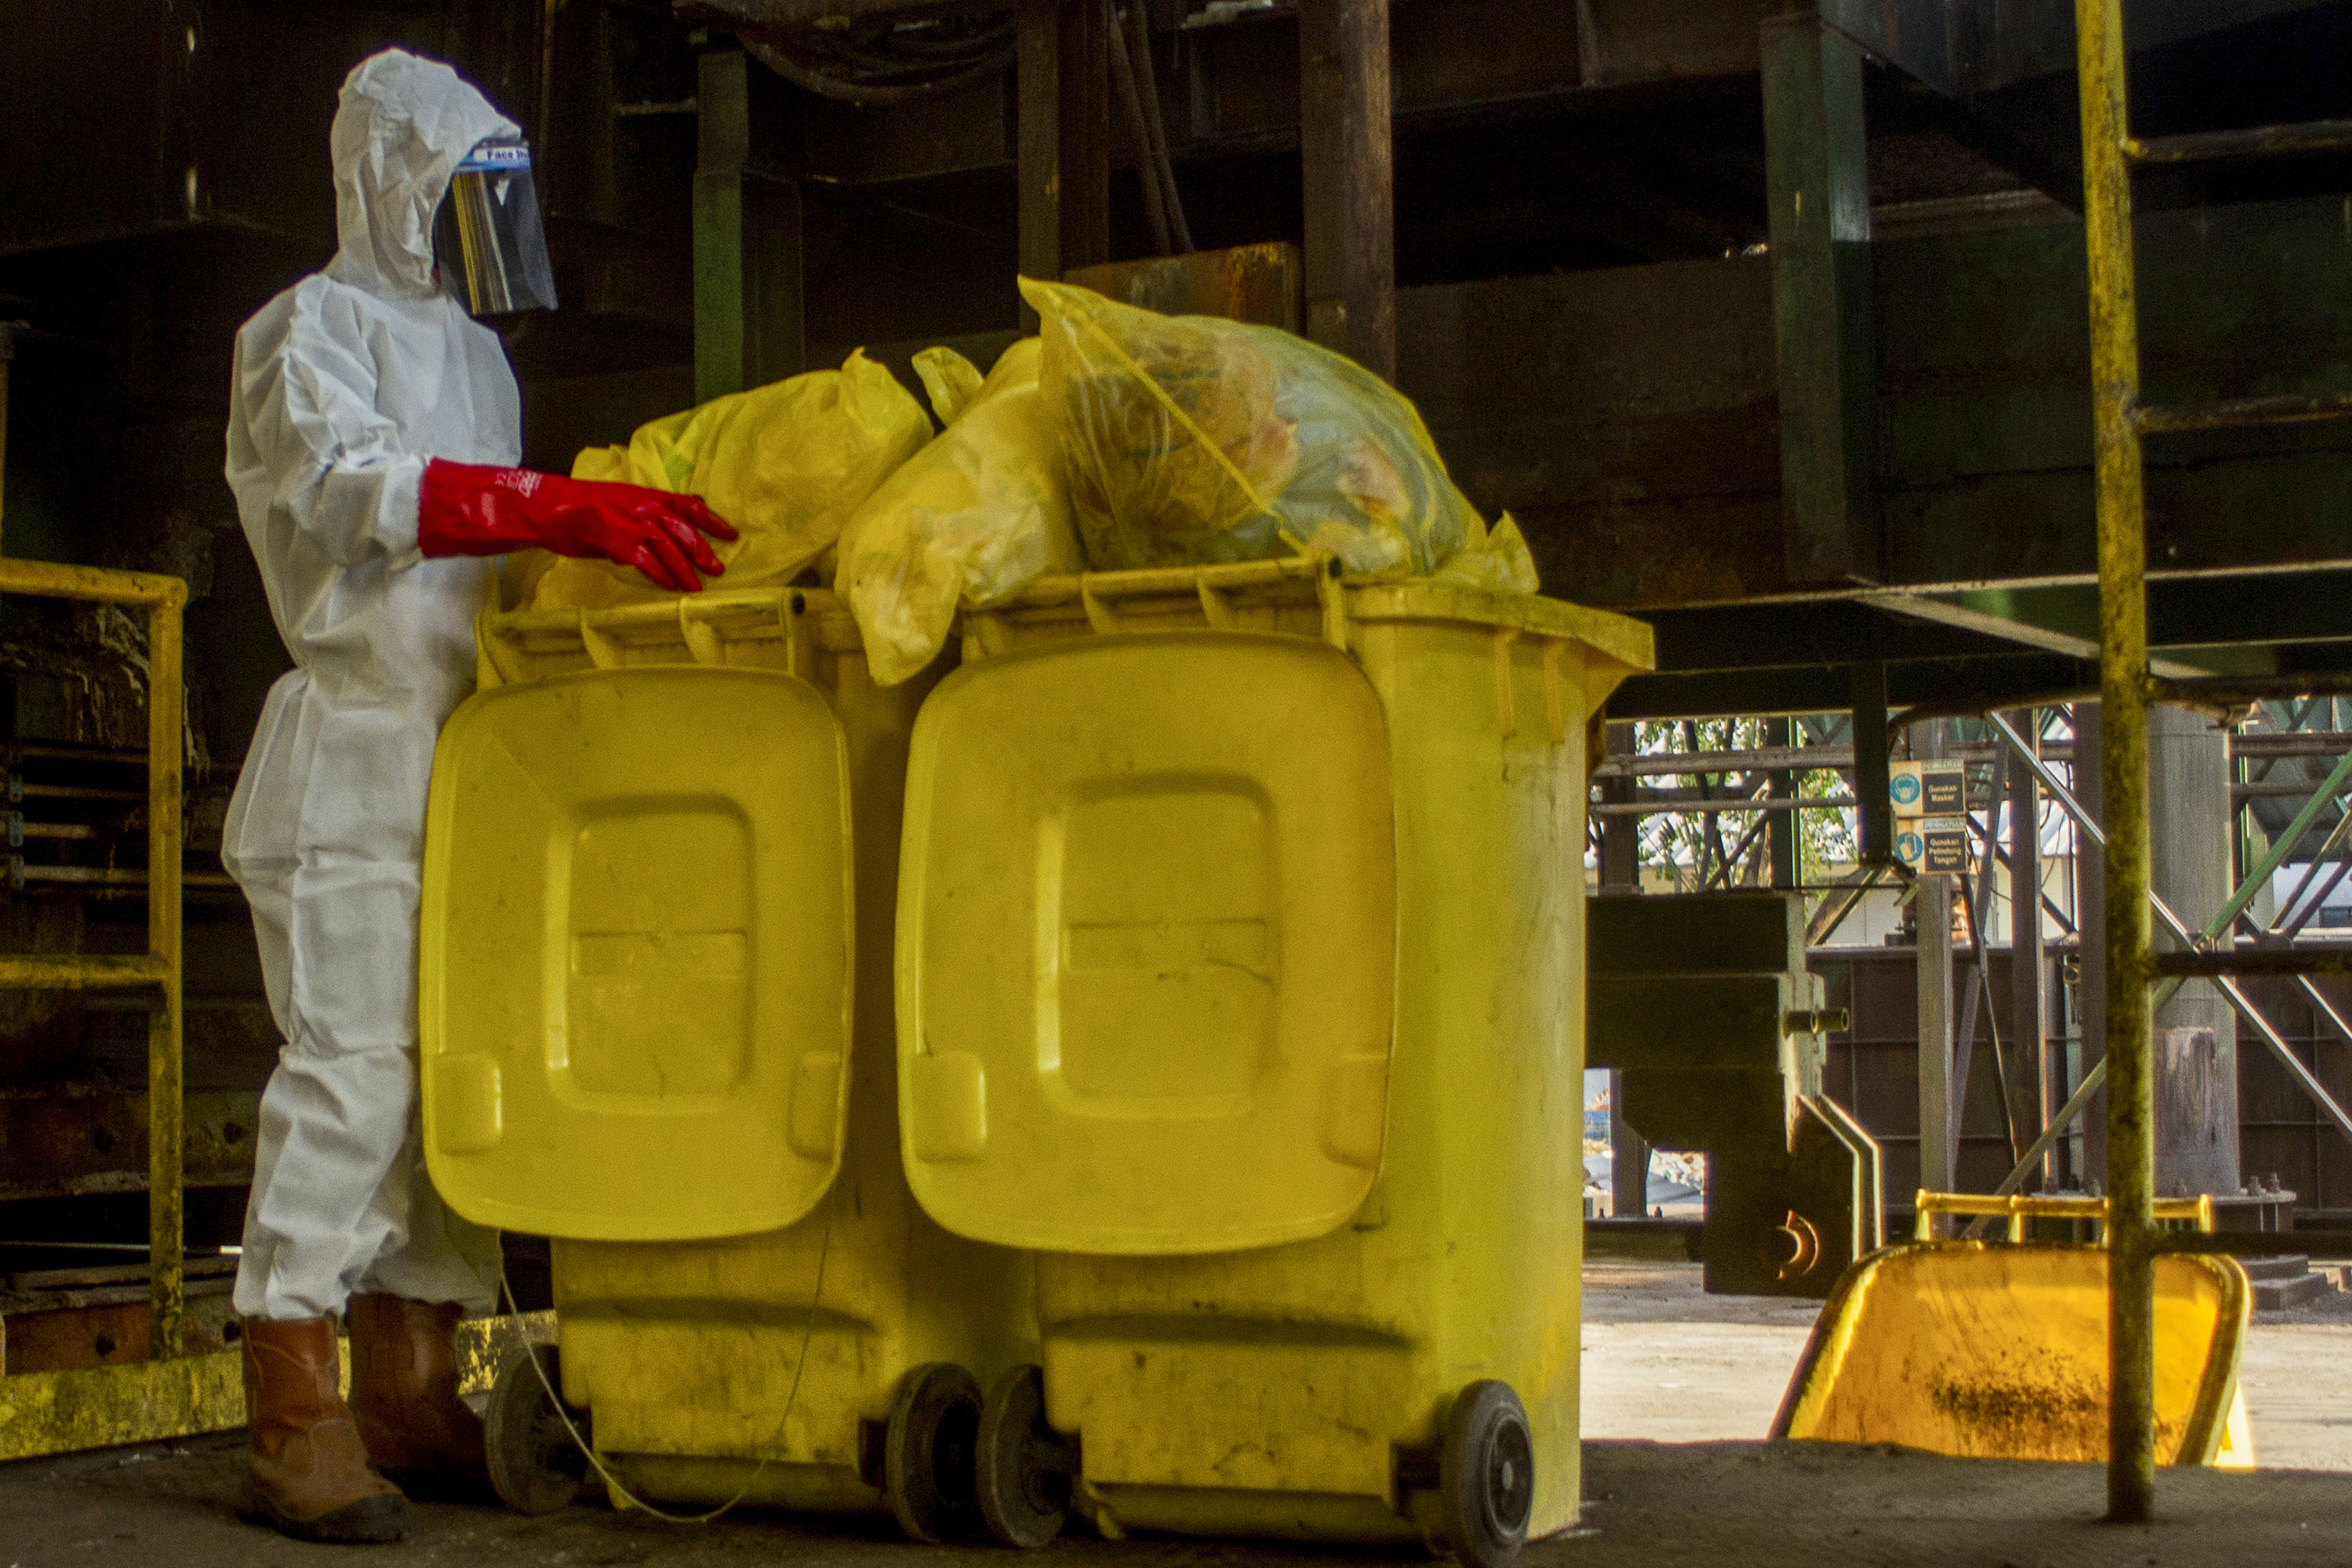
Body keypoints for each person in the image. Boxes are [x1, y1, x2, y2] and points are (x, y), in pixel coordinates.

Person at [220, 48, 733, 1544]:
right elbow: (361, 496)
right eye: (456, 191)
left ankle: (410, 1381)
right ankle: (292, 1396)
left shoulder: (484, 361)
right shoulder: (300, 332)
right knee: (354, 1069)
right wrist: (559, 501)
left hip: (477, 757)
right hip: (357, 755)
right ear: (390, 179)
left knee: (456, 1071)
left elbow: (491, 558)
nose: (472, 226)